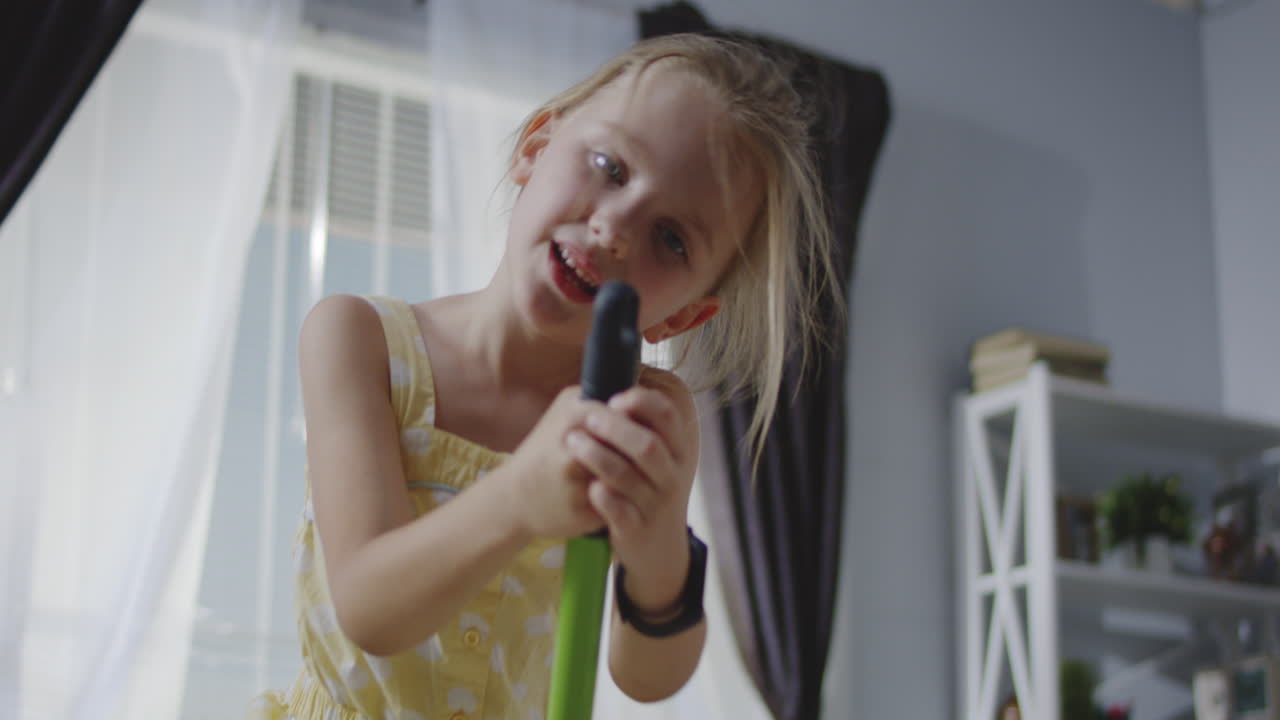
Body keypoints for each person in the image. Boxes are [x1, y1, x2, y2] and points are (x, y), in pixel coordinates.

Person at [251, 32, 838, 720]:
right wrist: (518, 499)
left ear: (680, 317)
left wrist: (655, 552)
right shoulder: (359, 339)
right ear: (535, 148)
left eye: (672, 239)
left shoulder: (641, 413)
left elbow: (649, 676)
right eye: (610, 168)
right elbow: (368, 607)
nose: (615, 229)